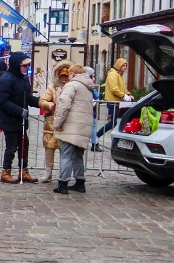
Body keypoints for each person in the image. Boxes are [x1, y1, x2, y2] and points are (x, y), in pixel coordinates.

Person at [0, 52, 41, 184]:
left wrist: (40, 102)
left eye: (28, 65)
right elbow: (2, 101)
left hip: (20, 120)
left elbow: (27, 97)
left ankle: (23, 171)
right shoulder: (6, 79)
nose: (27, 68)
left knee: (24, 145)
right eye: (24, 65)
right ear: (16, 65)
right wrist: (20, 111)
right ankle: (5, 171)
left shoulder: (23, 79)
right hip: (10, 120)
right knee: (11, 146)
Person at [52, 64, 96, 194]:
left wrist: (57, 124)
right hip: (83, 126)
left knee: (66, 155)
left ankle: (63, 184)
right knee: (78, 156)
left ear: (72, 74)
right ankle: (80, 182)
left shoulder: (72, 85)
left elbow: (63, 105)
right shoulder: (87, 87)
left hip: (71, 126)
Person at [37, 61, 72, 183]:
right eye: (62, 76)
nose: (64, 78)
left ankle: (63, 174)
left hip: (67, 123)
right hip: (51, 123)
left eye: (66, 76)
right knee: (49, 147)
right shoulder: (52, 87)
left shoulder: (73, 87)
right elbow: (42, 101)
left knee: (65, 150)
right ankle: (48, 172)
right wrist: (48, 104)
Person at [97, 58, 131, 138]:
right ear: (118, 65)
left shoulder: (120, 75)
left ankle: (113, 138)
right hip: (113, 102)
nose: (125, 67)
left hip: (118, 102)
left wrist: (128, 94)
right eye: (123, 65)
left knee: (116, 122)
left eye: (126, 65)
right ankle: (98, 135)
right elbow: (114, 89)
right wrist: (123, 96)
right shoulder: (114, 75)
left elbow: (122, 88)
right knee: (115, 122)